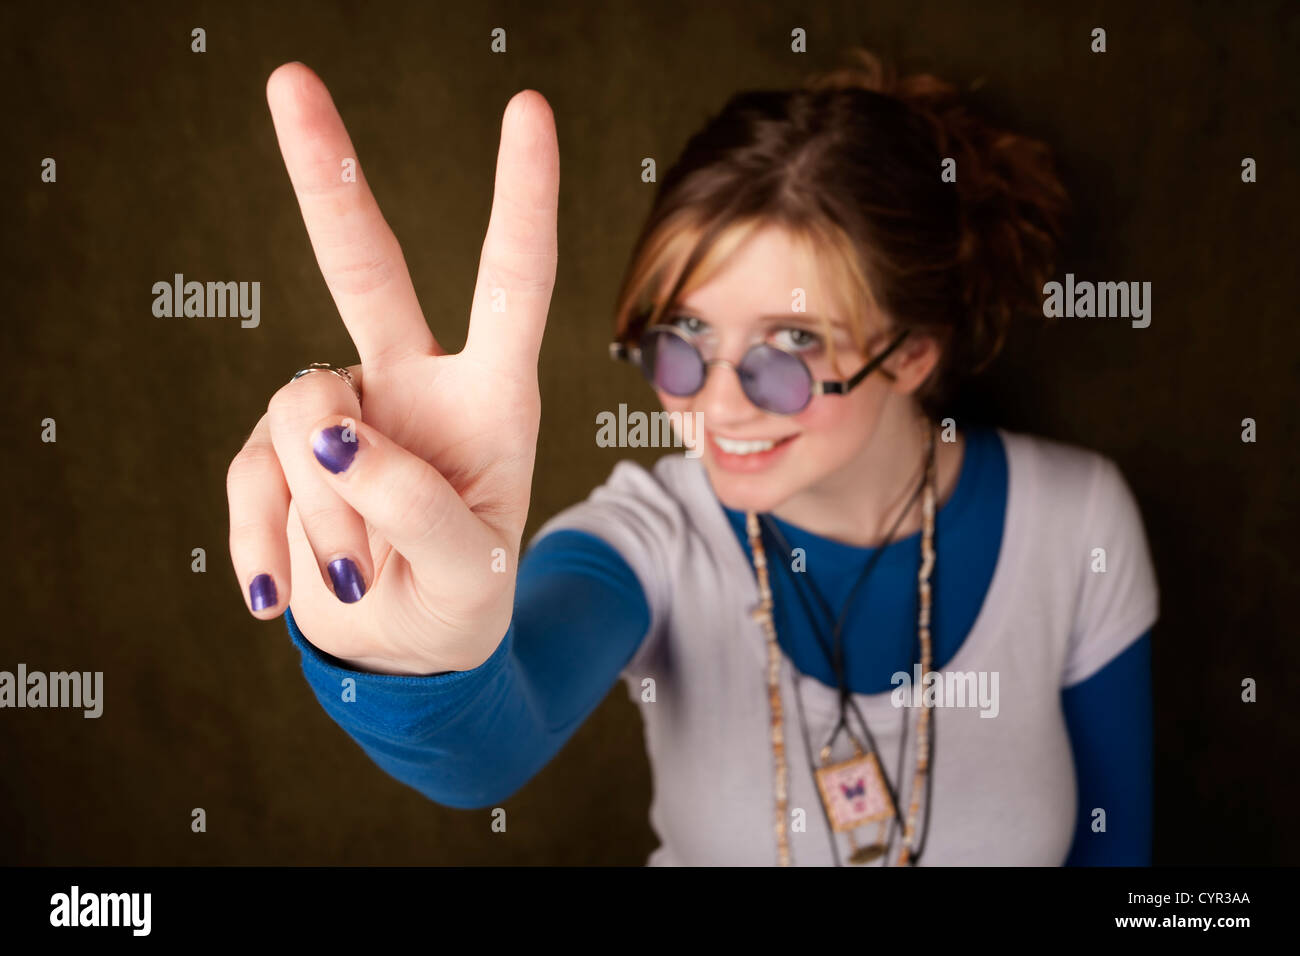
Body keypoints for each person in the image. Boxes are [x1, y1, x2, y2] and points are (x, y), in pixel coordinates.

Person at [226, 50, 1158, 866]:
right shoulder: (647, 537)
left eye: (790, 345)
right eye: (682, 339)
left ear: (913, 353)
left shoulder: (1078, 524)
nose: (714, 404)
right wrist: (413, 664)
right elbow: (489, 751)